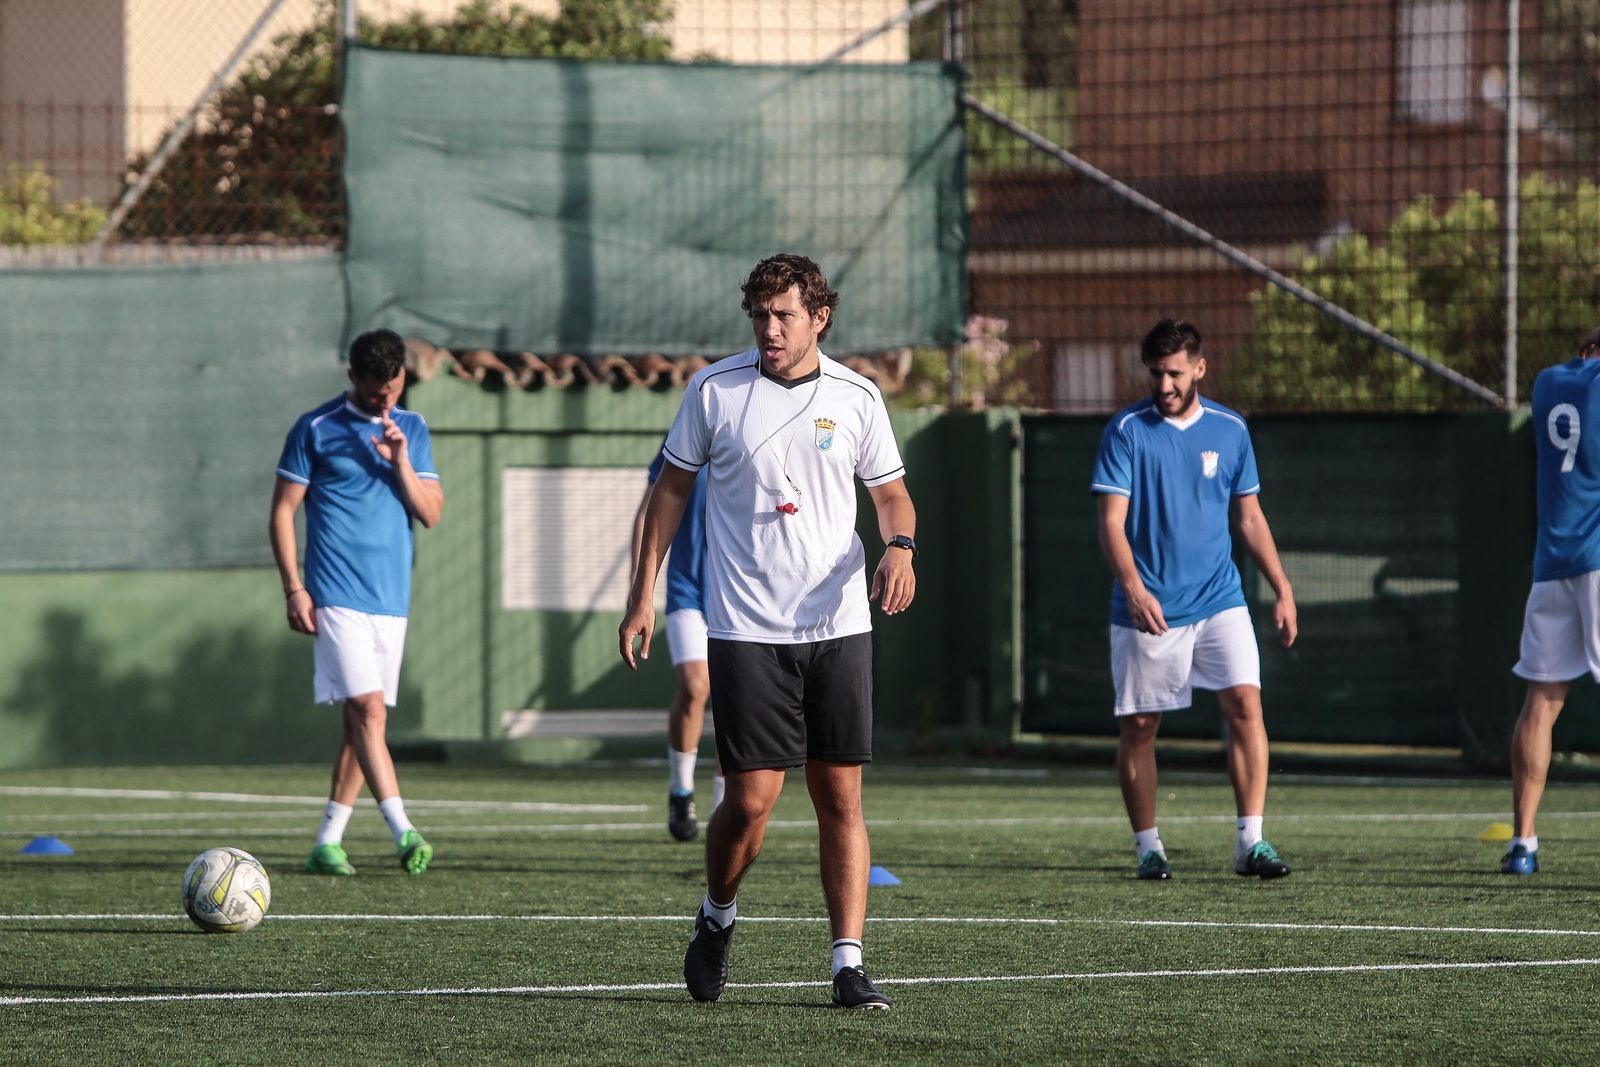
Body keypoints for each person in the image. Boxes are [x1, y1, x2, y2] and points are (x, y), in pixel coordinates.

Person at [619, 253, 917, 1010]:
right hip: (746, 627)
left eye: (784, 314)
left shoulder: (857, 396)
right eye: (759, 315)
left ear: (820, 316)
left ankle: (848, 962)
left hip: (839, 623)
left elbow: (891, 497)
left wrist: (901, 548)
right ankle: (717, 917)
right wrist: (640, 596)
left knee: (839, 797)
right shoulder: (714, 390)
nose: (769, 328)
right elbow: (668, 495)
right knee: (750, 802)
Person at [1090, 319, 1297, 881]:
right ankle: (1148, 847)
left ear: (1200, 368)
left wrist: (1282, 589)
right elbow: (1111, 523)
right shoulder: (1128, 430)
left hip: (1220, 599)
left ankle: (1251, 842)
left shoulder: (1231, 429)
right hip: (1149, 607)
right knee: (1140, 727)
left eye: (1175, 373)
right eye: (1156, 373)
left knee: (1246, 707)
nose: (1164, 384)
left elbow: (1249, 517)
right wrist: (1134, 588)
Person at [270, 327, 444, 877]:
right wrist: (294, 587)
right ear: (353, 377)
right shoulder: (315, 428)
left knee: (359, 723)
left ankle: (327, 841)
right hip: (335, 594)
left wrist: (399, 460)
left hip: (391, 600)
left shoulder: (412, 428)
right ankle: (403, 829)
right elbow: (282, 512)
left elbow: (431, 512)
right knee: (368, 712)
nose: (385, 399)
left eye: (393, 389)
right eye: (376, 390)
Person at [1503, 325, 1600, 876]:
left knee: (1540, 701)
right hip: (1597, 560)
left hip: (1551, 566)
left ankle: (1524, 843)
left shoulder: (1546, 383)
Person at [630, 446, 725, 840]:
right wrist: (640, 589)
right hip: (688, 589)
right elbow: (648, 510)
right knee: (695, 686)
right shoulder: (688, 433)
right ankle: (681, 789)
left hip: (743, 595)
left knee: (738, 699)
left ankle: (725, 805)